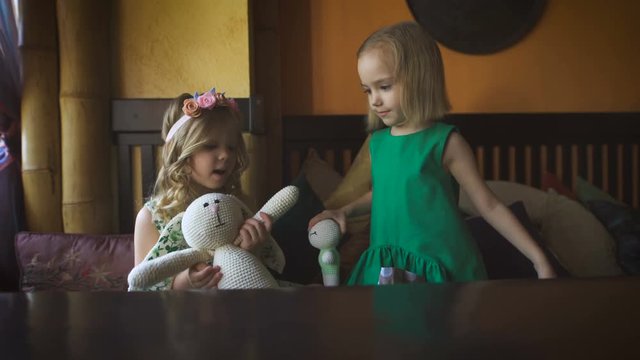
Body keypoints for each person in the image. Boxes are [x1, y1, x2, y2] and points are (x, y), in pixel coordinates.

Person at [308, 22, 556, 285]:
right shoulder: (378, 143)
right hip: (388, 266)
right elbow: (386, 192)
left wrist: (539, 259)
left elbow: (489, 205)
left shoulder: (447, 142)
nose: (374, 101)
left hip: (439, 266)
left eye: (384, 86)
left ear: (419, 79)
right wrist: (344, 211)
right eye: (367, 90)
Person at [134, 89, 279, 290]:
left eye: (231, 147)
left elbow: (258, 279)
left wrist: (252, 250)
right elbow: (141, 287)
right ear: (180, 153)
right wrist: (185, 281)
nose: (225, 155)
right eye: (210, 146)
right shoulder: (153, 218)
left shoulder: (239, 207)